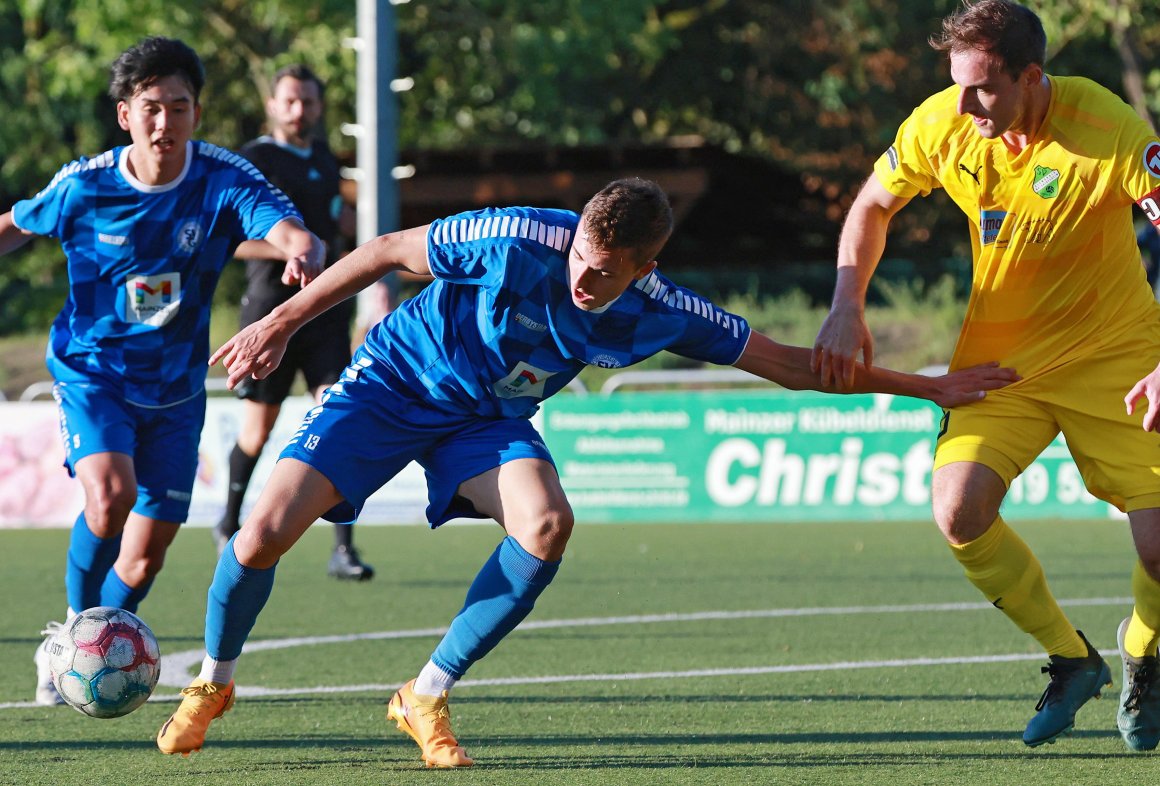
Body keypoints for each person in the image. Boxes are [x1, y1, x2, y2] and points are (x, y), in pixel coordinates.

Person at [154, 177, 1014, 766]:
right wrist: (282, 323)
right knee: (263, 531)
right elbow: (383, 249)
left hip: (485, 421)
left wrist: (925, 386)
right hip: (392, 383)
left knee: (547, 524)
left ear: (646, 265)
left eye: (606, 273)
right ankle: (214, 682)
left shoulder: (664, 310)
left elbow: (791, 363)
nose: (585, 280)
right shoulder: (514, 235)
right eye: (581, 261)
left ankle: (424, 695)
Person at [811, 0, 1160, 752]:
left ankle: (1144, 652)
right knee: (958, 509)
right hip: (1001, 366)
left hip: (1120, 360)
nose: (963, 106)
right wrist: (847, 303)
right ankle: (1072, 660)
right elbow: (873, 203)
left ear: (1033, 76)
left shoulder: (1111, 128)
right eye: (956, 86)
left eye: (982, 90)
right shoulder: (944, 122)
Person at [0, 37, 324, 706]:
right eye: (150, 108)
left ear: (196, 114)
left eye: (179, 108)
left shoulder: (222, 177)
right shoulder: (86, 185)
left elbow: (287, 224)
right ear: (126, 115)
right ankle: (69, 638)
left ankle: (92, 643)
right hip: (95, 374)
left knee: (146, 557)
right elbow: (17, 224)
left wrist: (302, 248)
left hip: (176, 392)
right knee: (110, 496)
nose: (164, 124)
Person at [215, 64, 374, 581]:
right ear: (273, 105)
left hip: (326, 316)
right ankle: (229, 523)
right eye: (290, 100)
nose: (298, 109)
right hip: (269, 310)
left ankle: (343, 548)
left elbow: (337, 231)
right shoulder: (253, 161)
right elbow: (230, 238)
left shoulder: (328, 160)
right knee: (257, 432)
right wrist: (292, 248)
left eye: (307, 100)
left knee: (338, 418)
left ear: (319, 106)